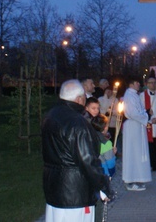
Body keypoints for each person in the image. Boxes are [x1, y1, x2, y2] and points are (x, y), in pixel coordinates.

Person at [41, 79, 114, 222]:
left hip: (54, 187)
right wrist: (104, 185)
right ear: (80, 99)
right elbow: (88, 161)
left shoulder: (49, 116)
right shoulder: (77, 123)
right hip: (75, 192)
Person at [122, 79, 152, 191]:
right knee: (132, 152)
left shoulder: (134, 95)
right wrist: (145, 116)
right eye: (136, 82)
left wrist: (145, 113)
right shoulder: (129, 96)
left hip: (137, 126)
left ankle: (138, 177)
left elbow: (140, 110)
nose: (139, 84)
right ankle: (130, 180)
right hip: (132, 126)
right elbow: (132, 113)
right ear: (131, 84)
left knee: (138, 152)